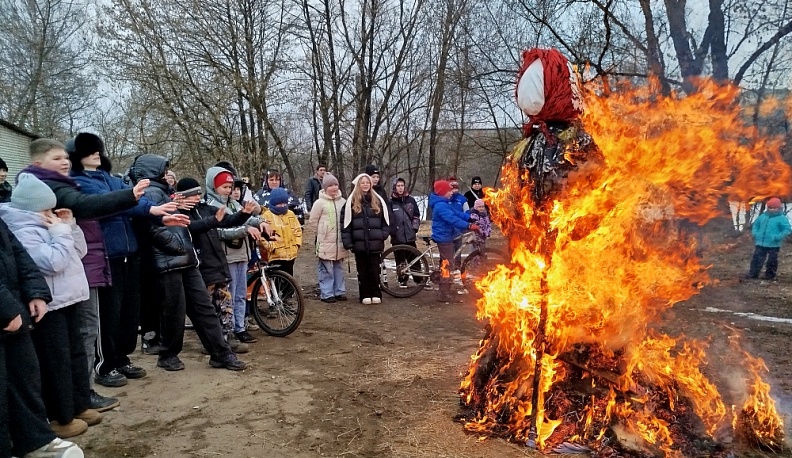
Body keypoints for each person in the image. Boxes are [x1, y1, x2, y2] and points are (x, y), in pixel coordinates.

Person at [21, 138, 150, 412]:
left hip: (84, 265)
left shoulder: (64, 184)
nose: (64, 162)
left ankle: (81, 397)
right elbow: (88, 206)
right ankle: (76, 399)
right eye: (57, 159)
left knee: (86, 332)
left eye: (64, 157)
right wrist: (131, 196)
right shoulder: (46, 188)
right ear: (37, 164)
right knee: (83, 333)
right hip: (69, 274)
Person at [68, 132, 177, 391]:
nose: (97, 153)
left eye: (98, 149)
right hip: (107, 256)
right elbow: (114, 203)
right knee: (109, 314)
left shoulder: (110, 178)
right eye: (89, 150)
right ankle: (105, 365)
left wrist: (155, 211)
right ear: (77, 155)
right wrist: (138, 203)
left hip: (130, 253)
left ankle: (122, 357)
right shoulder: (78, 183)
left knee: (130, 312)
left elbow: (132, 199)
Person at [0, 174, 102, 438]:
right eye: (46, 209)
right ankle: (61, 415)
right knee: (56, 362)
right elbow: (52, 262)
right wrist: (60, 232)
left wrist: (70, 226)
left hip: (69, 298)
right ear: (32, 208)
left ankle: (80, 404)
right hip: (50, 305)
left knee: (75, 356)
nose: (51, 214)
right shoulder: (22, 230)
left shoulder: (51, 225)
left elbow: (77, 252)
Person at [127, 154, 247, 372]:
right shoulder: (150, 192)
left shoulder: (164, 192)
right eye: (163, 171)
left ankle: (220, 353)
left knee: (202, 308)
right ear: (152, 171)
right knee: (176, 311)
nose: (167, 174)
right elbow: (151, 227)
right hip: (168, 261)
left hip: (184, 258)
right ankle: (169, 355)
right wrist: (175, 245)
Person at [0, 216, 86, 457]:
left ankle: (35, 440)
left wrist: (36, 292)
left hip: (15, 306)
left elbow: (17, 253)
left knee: (25, 377)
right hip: (7, 307)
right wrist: (5, 307)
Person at [177, 176, 259, 352]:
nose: (198, 197)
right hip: (200, 267)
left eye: (199, 193)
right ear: (183, 197)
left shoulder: (206, 208)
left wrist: (244, 214)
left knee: (224, 305)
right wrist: (213, 221)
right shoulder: (180, 214)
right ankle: (211, 342)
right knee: (207, 309)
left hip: (217, 264)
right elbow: (193, 227)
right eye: (193, 195)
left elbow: (228, 220)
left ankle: (227, 338)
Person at [204, 167, 269, 345]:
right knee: (227, 295)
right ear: (214, 186)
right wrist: (244, 230)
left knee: (241, 293)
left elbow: (246, 217)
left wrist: (261, 222)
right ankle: (228, 330)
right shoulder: (210, 206)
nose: (229, 190)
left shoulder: (233, 203)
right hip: (226, 256)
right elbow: (220, 231)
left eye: (230, 186)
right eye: (224, 187)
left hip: (242, 254)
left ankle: (240, 327)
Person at [341, 174, 390, 304]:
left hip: (375, 243)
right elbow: (345, 224)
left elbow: (386, 221)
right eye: (362, 182)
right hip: (359, 244)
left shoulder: (378, 200)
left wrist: (382, 235)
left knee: (374, 270)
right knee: (362, 271)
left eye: (367, 182)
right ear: (358, 184)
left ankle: (376, 293)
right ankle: (365, 294)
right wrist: (349, 242)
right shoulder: (351, 202)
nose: (365, 185)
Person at [429, 180, 478, 303]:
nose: (451, 193)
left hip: (446, 235)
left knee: (446, 263)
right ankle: (444, 293)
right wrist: (468, 226)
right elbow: (452, 219)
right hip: (444, 237)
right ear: (443, 192)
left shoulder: (443, 203)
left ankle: (444, 289)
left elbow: (456, 213)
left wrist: (469, 217)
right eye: (449, 191)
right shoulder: (441, 205)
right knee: (447, 264)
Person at [307, 173, 348, 303]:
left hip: (340, 241)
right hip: (325, 241)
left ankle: (339, 291)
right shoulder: (319, 203)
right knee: (326, 268)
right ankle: (327, 293)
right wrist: (320, 234)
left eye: (335, 185)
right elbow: (313, 222)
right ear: (325, 187)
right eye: (330, 185)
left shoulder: (343, 202)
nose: (334, 188)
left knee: (338, 267)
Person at [259, 188, 303, 276]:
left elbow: (298, 230)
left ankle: (291, 290)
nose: (282, 206)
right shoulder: (266, 216)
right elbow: (262, 236)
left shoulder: (291, 214)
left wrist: (297, 244)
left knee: (289, 277)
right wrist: (271, 247)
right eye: (279, 204)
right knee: (277, 278)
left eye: (284, 203)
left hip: (291, 254)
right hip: (275, 255)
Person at [747, 197, 792, 280]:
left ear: (779, 208)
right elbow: (756, 225)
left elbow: (787, 229)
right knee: (757, 259)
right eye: (770, 208)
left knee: (772, 260)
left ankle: (770, 276)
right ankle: (753, 274)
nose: (772, 210)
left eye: (774, 208)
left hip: (773, 244)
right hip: (760, 243)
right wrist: (755, 234)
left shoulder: (782, 218)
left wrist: (778, 237)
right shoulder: (762, 216)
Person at [389, 177, 421, 288]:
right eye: (398, 186)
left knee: (414, 259)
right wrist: (393, 231)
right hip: (397, 237)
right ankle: (402, 279)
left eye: (402, 185)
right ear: (394, 187)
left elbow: (416, 215)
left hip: (410, 236)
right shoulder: (391, 202)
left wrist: (414, 229)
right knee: (400, 260)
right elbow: (389, 219)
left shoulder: (411, 200)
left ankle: (419, 280)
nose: (400, 188)